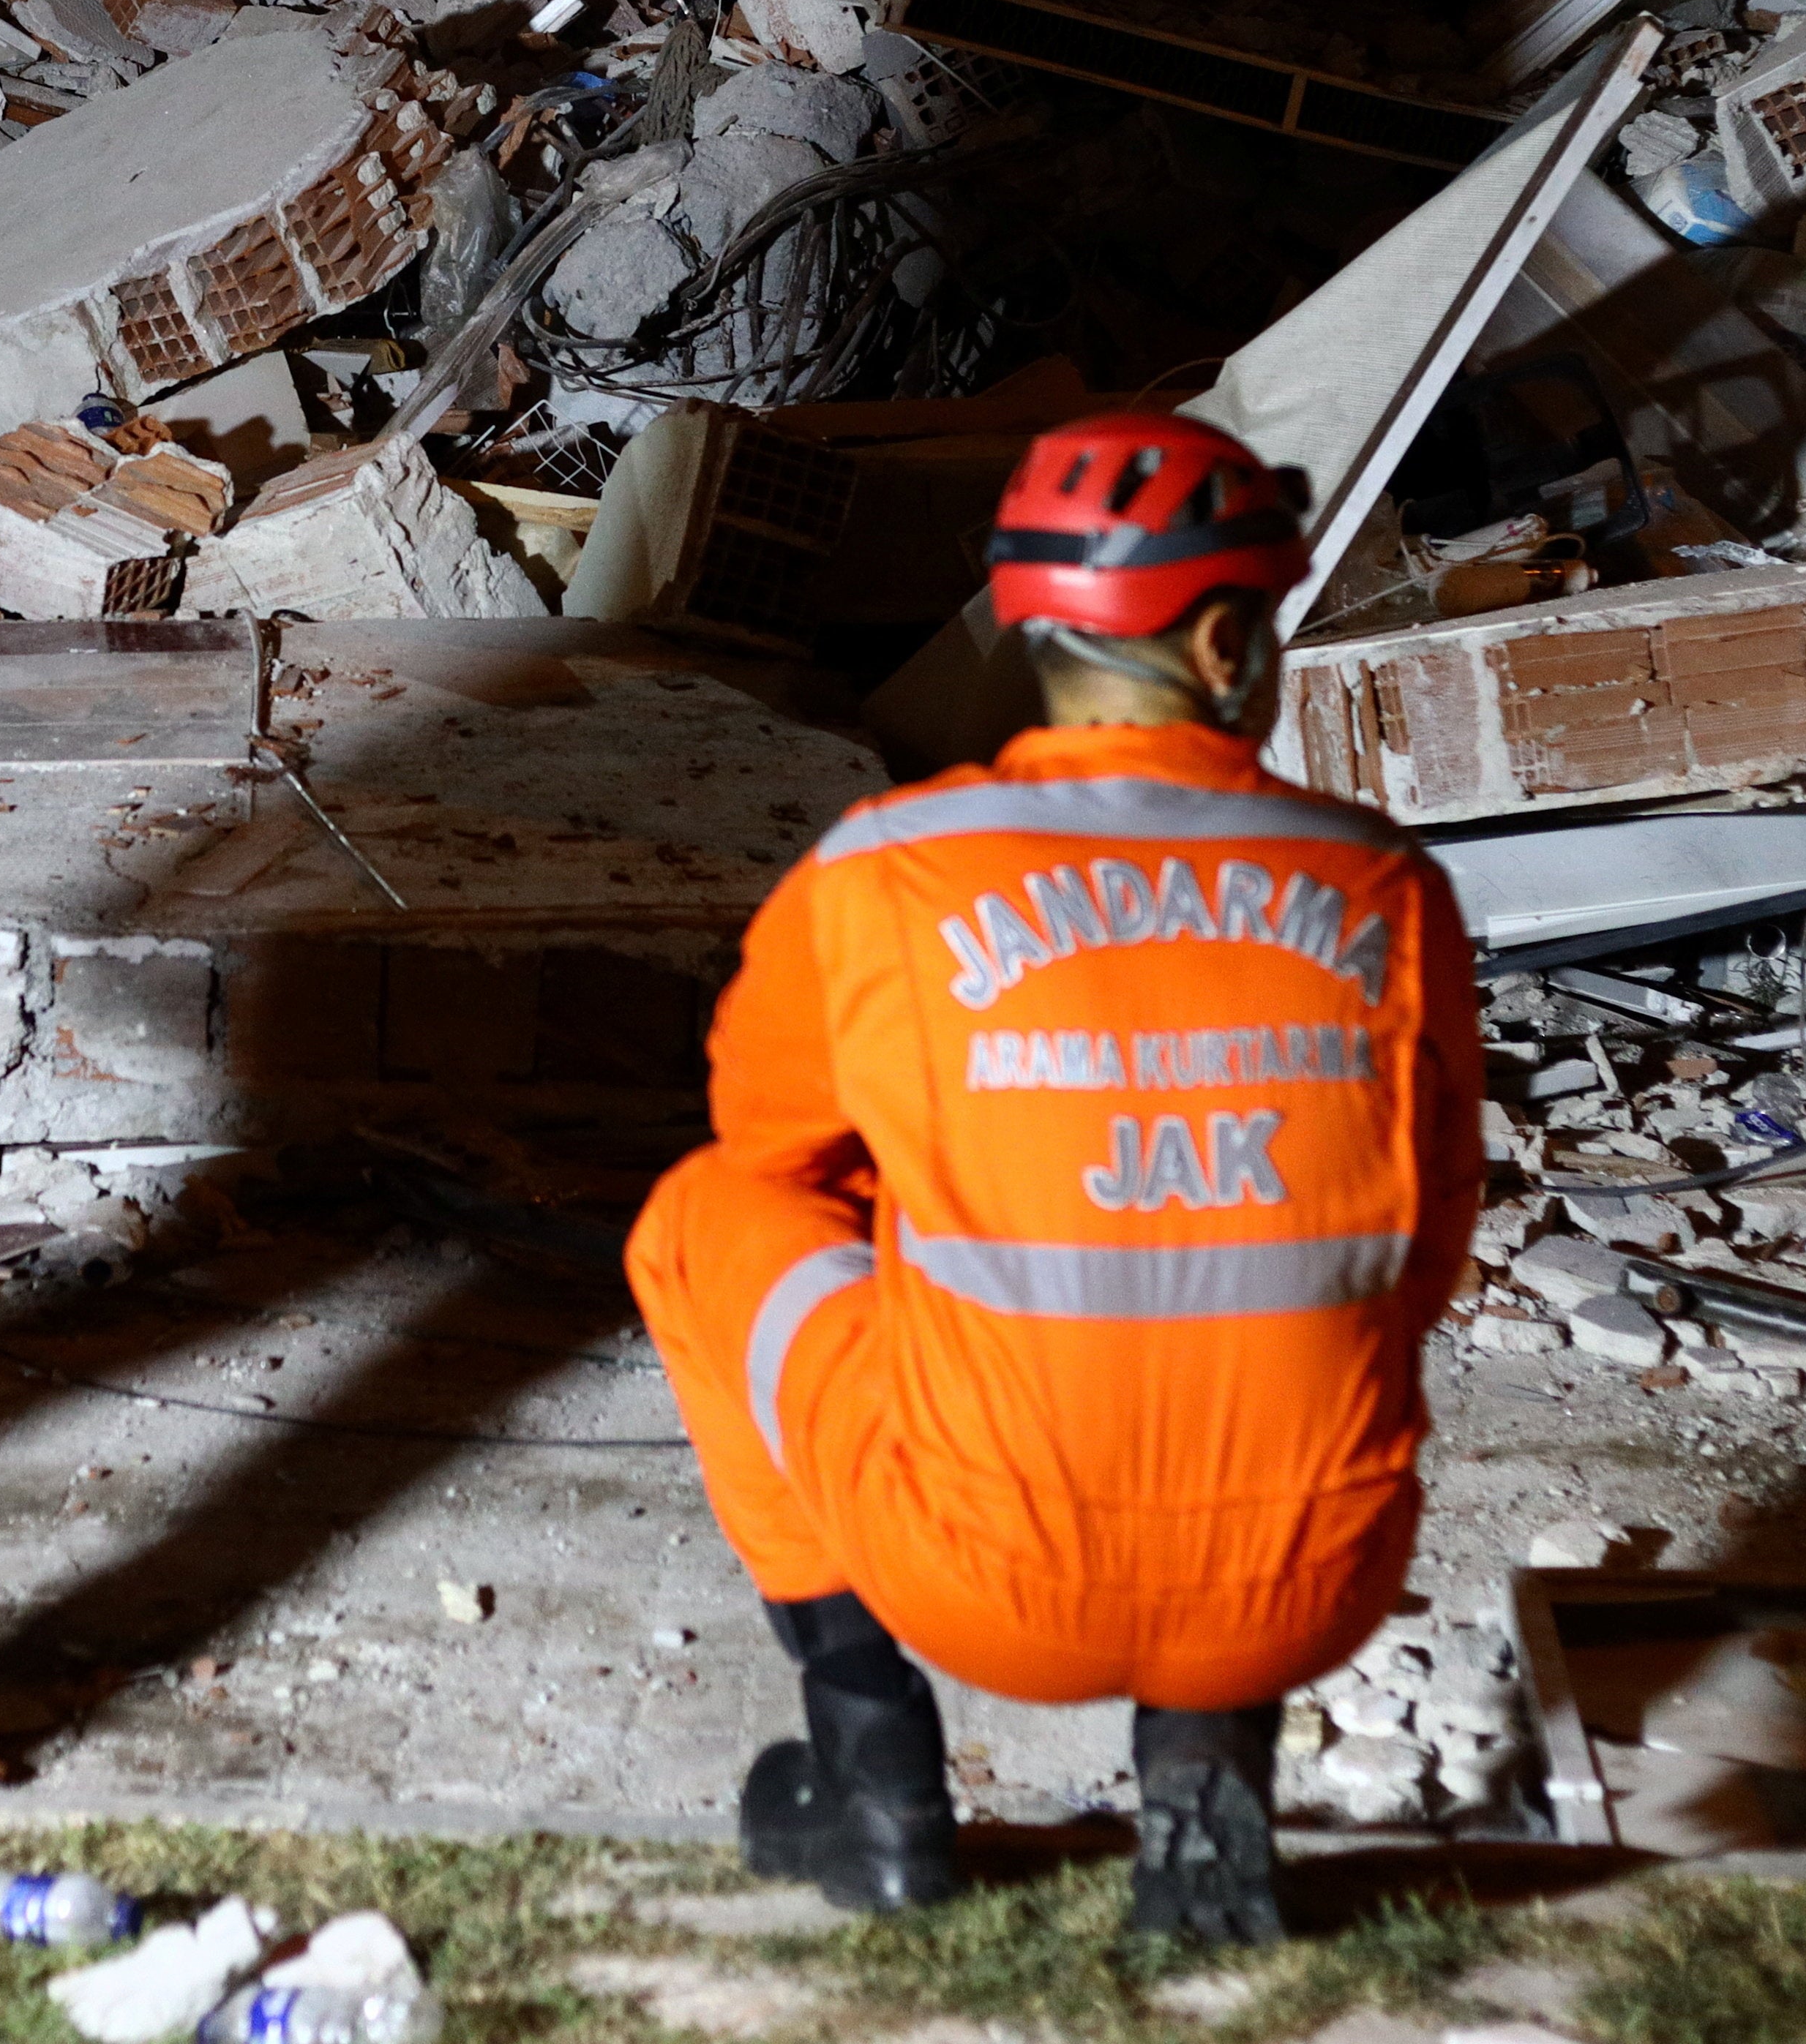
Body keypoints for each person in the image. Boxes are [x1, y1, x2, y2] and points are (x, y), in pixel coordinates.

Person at [625, 409, 1478, 1941]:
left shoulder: (891, 863)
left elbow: (766, 1143)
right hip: (1309, 1576)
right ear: (1226, 642)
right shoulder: (1387, 886)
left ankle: (878, 1782)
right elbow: (1423, 1251)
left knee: (702, 1219)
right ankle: (1211, 1760)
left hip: (980, 1587)